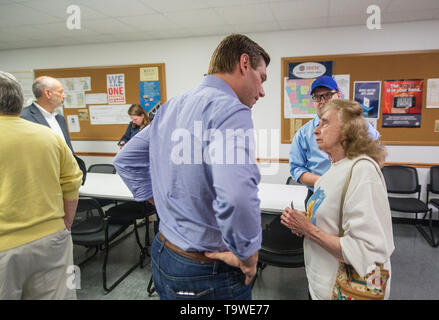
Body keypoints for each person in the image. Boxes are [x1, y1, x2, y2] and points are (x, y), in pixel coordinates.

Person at [114, 34, 270, 300]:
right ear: (244, 64)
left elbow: (125, 160)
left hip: (165, 254)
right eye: (262, 78)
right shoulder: (231, 109)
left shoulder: (171, 106)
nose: (262, 91)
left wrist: (159, 200)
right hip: (207, 271)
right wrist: (248, 256)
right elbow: (236, 196)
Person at [281, 99, 395, 300]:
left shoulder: (363, 170)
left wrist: (309, 229)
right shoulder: (332, 171)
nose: (316, 130)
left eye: (324, 123)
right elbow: (330, 223)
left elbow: (368, 249)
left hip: (347, 290)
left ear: (346, 130)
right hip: (323, 285)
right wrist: (304, 224)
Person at [0, 71, 83, 299]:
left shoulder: (56, 124)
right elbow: (72, 180)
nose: (64, 96)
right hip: (53, 237)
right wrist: (65, 222)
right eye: (60, 91)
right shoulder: (47, 135)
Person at [289, 75, 380, 207]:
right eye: (317, 97)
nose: (322, 101)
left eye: (327, 95)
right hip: (318, 195)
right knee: (313, 228)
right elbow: (296, 169)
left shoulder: (358, 125)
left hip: (353, 195)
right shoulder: (304, 133)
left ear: (339, 95)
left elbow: (377, 155)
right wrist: (326, 181)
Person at [21, 76, 86, 182]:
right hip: (42, 181)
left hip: (66, 180)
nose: (64, 96)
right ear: (48, 93)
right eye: (61, 92)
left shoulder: (60, 119)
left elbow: (68, 151)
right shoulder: (24, 117)